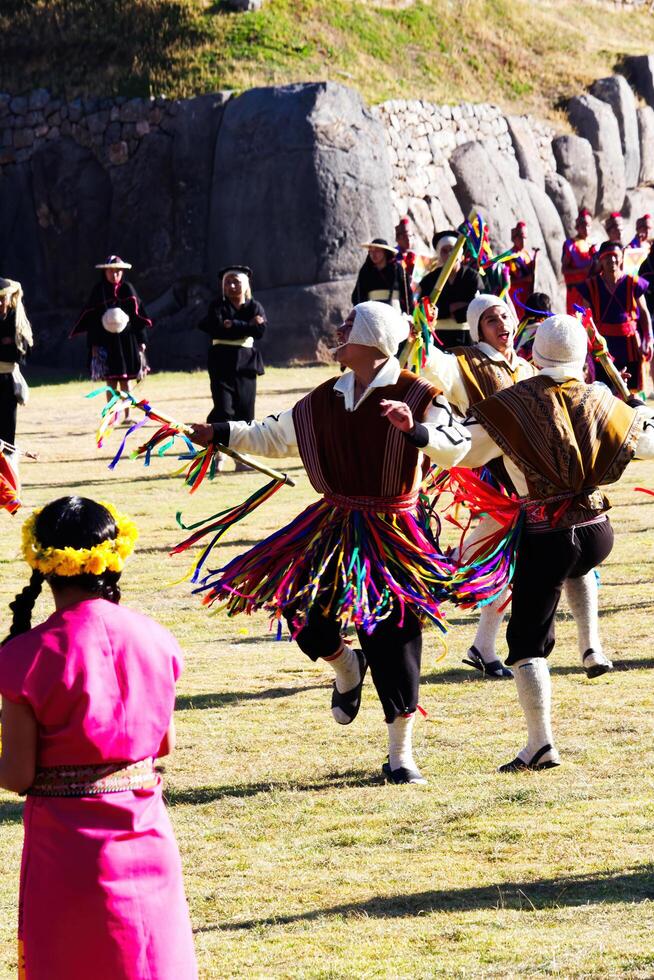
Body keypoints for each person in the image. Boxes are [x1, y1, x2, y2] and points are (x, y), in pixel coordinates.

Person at [188, 301, 462, 785]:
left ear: (374, 337)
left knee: (394, 637)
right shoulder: (323, 397)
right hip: (332, 523)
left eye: (349, 324)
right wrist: (221, 432)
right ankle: (347, 667)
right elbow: (272, 434)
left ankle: (400, 756)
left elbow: (455, 442)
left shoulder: (419, 393)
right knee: (298, 609)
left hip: (393, 531)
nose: (338, 330)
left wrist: (416, 430)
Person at [383, 314, 654, 771]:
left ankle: (540, 744)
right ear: (582, 355)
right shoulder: (602, 398)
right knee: (578, 567)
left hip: (547, 534)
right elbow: (645, 440)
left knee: (527, 641)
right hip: (597, 530)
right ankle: (591, 646)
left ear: (534, 353)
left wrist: (418, 432)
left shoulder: (510, 405)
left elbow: (461, 449)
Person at [0, 496, 197, 979]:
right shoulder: (155, 637)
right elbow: (162, 745)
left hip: (67, 850)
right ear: (114, 557)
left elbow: (17, 773)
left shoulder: (26, 655)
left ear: (41, 563)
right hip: (147, 831)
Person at [197, 265, 266, 472]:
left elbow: (260, 331)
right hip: (221, 363)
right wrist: (246, 325)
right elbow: (215, 327)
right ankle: (216, 455)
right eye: (228, 282)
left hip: (246, 364)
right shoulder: (217, 305)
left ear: (245, 284)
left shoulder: (255, 306)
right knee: (223, 409)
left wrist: (231, 324)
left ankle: (241, 459)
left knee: (245, 412)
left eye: (236, 281)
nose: (232, 285)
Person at [72, 255, 151, 421]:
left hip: (126, 341)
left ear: (122, 272)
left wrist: (141, 341)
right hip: (106, 342)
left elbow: (139, 318)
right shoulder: (98, 291)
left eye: (118, 272)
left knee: (125, 381)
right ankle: (112, 415)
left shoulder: (128, 289)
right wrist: (93, 345)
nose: (114, 275)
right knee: (110, 382)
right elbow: (92, 320)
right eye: (111, 271)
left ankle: (127, 415)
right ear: (105, 272)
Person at [576, 240, 653, 393]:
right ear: (601, 260)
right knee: (603, 389)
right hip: (601, 347)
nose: (612, 260)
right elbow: (584, 318)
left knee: (630, 390)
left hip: (629, 345)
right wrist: (585, 347)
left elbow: (644, 313)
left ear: (622, 257)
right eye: (607, 256)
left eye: (615, 255)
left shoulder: (633, 282)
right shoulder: (590, 286)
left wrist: (648, 339)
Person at [418, 230, 482, 348]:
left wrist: (448, 310)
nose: (449, 254)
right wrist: (452, 308)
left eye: (452, 250)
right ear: (439, 254)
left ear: (460, 253)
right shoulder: (430, 279)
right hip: (439, 336)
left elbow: (477, 305)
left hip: (467, 335)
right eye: (444, 251)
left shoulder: (472, 276)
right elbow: (425, 308)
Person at [0, 278, 32, 451]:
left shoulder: (16, 320)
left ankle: (7, 468)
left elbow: (21, 352)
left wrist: (11, 342)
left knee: (7, 426)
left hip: (8, 381)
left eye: (2, 298)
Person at [352, 238, 413, 313]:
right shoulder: (366, 271)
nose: (373, 254)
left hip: (394, 311)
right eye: (371, 251)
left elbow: (407, 294)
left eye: (377, 251)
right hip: (373, 312)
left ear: (385, 252)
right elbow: (357, 296)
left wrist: (408, 314)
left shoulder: (397, 269)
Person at [561, 209, 598, 314]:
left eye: (589, 225)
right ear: (577, 226)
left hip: (593, 290)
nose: (586, 228)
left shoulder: (594, 245)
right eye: (583, 225)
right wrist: (583, 270)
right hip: (576, 291)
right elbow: (564, 270)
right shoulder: (570, 245)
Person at [506, 221, 536, 308]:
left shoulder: (528, 254)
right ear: (514, 239)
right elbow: (506, 281)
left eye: (525, 238)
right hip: (516, 296)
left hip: (528, 295)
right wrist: (525, 279)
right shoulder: (509, 256)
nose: (523, 241)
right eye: (520, 238)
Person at [395, 216, 416, 281]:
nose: (408, 239)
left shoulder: (415, 257)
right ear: (397, 239)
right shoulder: (392, 255)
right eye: (404, 237)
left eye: (410, 236)